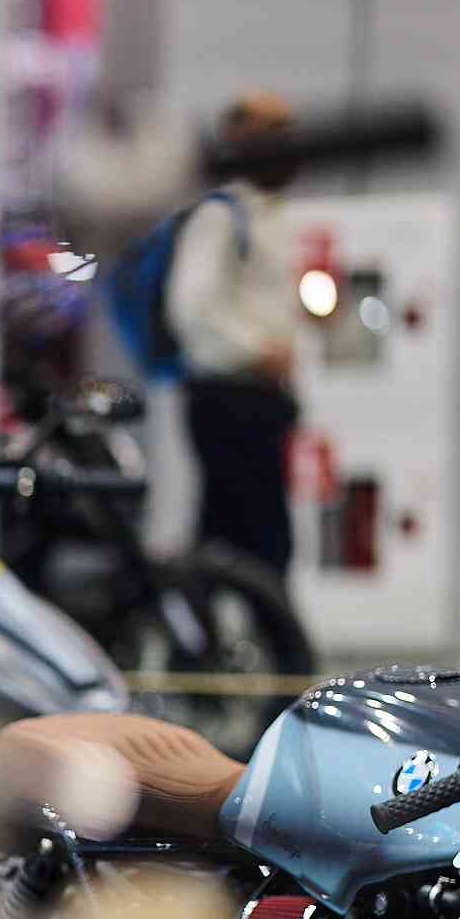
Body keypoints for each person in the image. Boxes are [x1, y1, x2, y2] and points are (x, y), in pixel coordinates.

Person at [166, 90, 303, 575]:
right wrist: (256, 351)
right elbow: (191, 307)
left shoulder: (272, 216)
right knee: (254, 540)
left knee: (234, 534)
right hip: (229, 397)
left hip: (262, 399)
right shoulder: (221, 216)